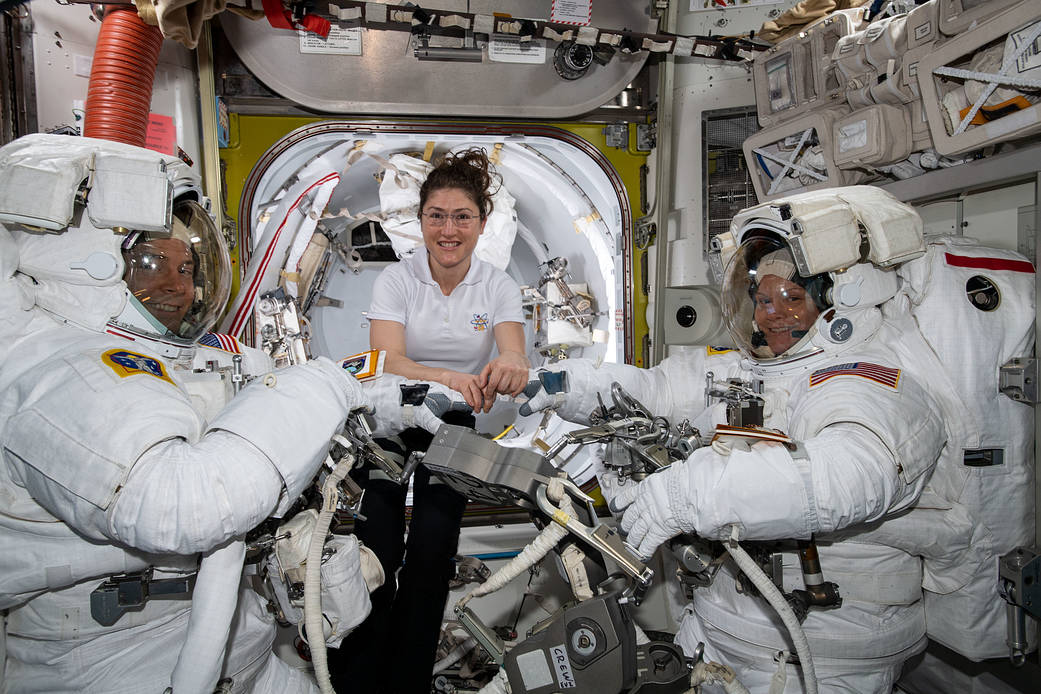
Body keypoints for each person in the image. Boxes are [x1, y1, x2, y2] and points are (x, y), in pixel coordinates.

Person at [0, 134, 459, 694]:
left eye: (187, 266)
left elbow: (265, 404)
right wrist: (332, 385)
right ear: (82, 266)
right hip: (116, 662)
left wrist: (379, 401)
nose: (178, 285)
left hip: (238, 642)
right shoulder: (54, 374)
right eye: (149, 264)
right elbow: (183, 502)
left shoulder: (186, 359)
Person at [521, 187, 992, 693]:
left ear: (842, 300)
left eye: (791, 298)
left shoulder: (873, 382)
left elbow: (848, 480)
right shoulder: (754, 370)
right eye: (763, 300)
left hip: (822, 649)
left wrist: (687, 495)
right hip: (721, 623)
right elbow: (657, 390)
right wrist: (562, 385)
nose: (770, 315)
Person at [330, 148, 529, 693]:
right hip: (393, 413)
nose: (448, 229)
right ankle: (358, 674)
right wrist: (450, 374)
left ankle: (408, 680)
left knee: (433, 547)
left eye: (462, 216)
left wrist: (511, 363)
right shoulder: (396, 280)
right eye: (436, 215)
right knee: (379, 544)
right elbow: (387, 360)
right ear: (420, 221)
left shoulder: (498, 285)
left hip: (455, 420)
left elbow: (513, 350)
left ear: (481, 223)